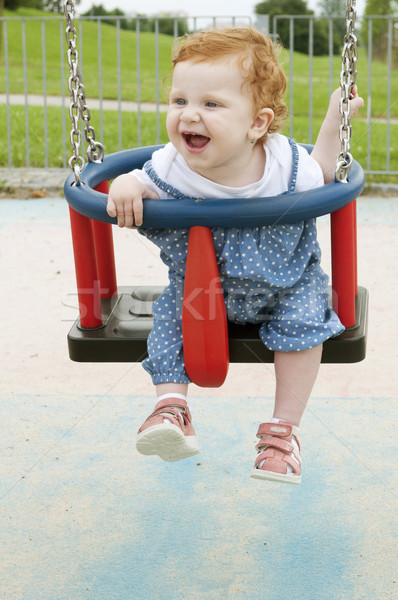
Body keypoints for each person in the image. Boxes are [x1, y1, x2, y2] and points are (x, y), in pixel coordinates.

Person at [107, 27, 364, 484]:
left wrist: (336, 117)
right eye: (180, 100)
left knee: (307, 321)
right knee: (170, 313)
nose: (189, 115)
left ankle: (283, 434)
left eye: (211, 104)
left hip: (285, 285)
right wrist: (126, 185)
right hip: (203, 290)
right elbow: (138, 183)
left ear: (258, 124)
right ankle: (172, 409)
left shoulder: (285, 165)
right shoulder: (171, 165)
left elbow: (327, 174)